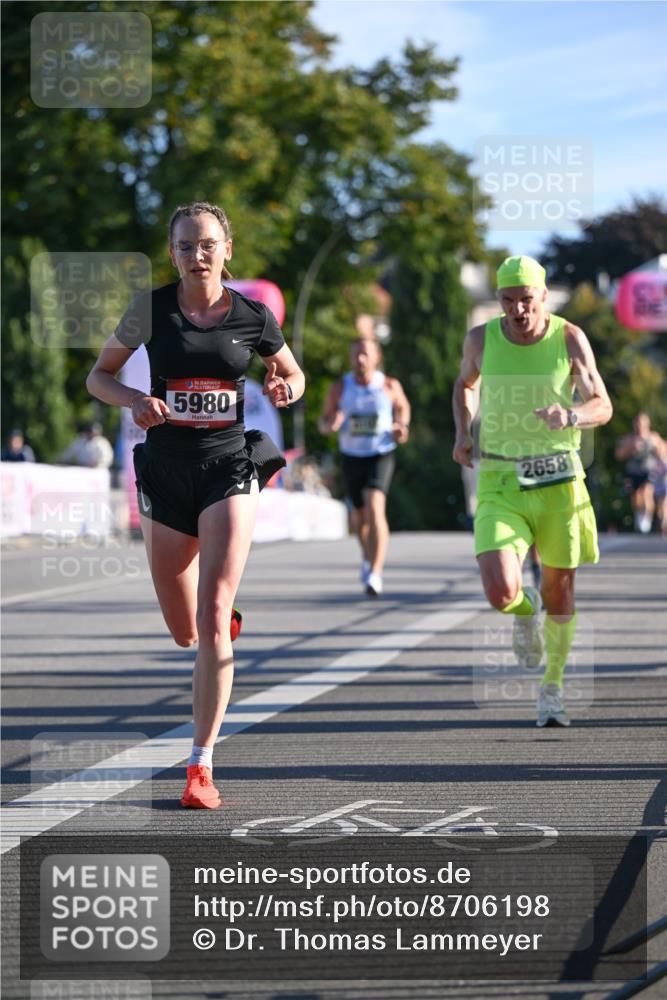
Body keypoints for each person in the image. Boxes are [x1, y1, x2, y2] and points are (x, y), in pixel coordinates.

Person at [86, 201, 304, 808]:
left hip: (230, 465)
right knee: (186, 631)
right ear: (173, 252)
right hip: (166, 471)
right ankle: (218, 628)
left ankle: (200, 766)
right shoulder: (150, 311)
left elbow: (292, 372)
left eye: (207, 243)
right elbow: (97, 378)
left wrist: (286, 385)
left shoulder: (253, 316)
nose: (197, 254)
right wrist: (134, 398)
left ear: (226, 249)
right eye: (185, 245)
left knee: (211, 613)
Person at [453, 255, 613, 727]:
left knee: (561, 593)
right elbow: (465, 384)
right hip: (501, 480)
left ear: (543, 295)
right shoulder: (481, 338)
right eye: (508, 301)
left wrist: (571, 416)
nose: (518, 310)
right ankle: (525, 612)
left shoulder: (569, 338)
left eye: (526, 299)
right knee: (501, 589)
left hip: (559, 483)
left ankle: (553, 686)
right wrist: (462, 431)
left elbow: (602, 404)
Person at [319, 331, 410, 596]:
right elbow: (324, 422)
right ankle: (368, 558)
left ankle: (376, 573)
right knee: (359, 518)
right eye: (355, 354)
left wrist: (401, 426)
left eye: (365, 354)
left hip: (380, 453)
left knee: (375, 507)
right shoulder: (340, 387)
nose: (359, 359)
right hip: (351, 455)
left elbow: (403, 408)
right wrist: (330, 424)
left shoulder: (389, 386)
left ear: (376, 358)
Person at [615, 413, 665, 534]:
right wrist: (630, 448)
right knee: (636, 496)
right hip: (633, 472)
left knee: (647, 492)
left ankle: (647, 517)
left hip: (649, 470)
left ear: (647, 424)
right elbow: (618, 454)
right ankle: (640, 514)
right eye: (637, 423)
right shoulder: (630, 438)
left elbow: (663, 452)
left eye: (642, 423)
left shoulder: (653, 437)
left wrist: (657, 449)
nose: (640, 426)